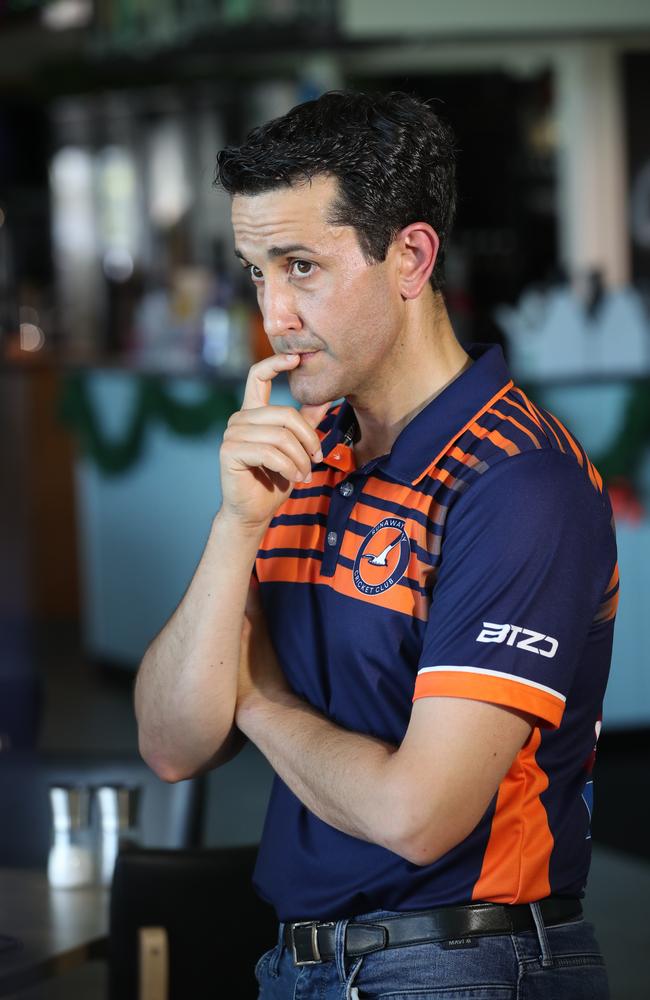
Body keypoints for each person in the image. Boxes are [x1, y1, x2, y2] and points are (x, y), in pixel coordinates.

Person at [134, 91, 617, 998]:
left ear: (411, 256)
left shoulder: (519, 483)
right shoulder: (300, 456)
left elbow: (417, 815)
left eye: (302, 266)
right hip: (296, 962)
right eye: (254, 271)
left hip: (467, 962)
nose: (273, 312)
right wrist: (235, 528)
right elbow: (170, 743)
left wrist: (260, 700)